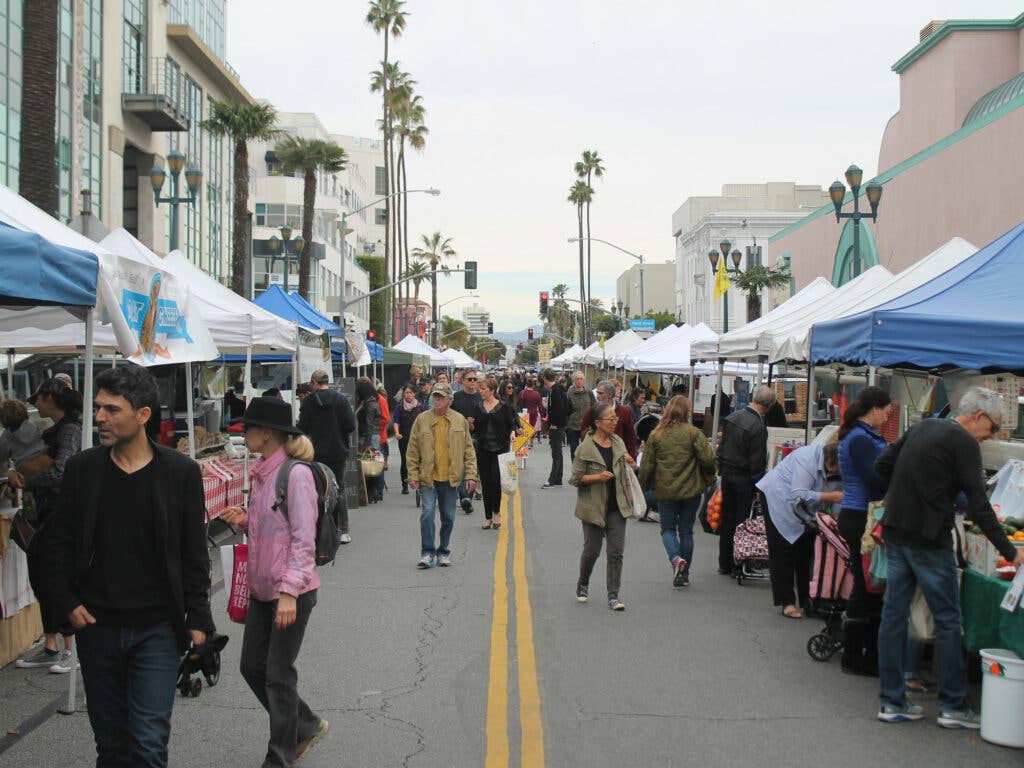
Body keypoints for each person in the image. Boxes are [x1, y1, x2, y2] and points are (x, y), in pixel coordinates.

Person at [43, 365, 214, 766]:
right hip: (97, 628)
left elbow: (193, 553)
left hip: (157, 631)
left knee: (148, 744)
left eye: (111, 409)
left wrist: (200, 618)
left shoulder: (180, 473)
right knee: (112, 746)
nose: (99, 417)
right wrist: (66, 602)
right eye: (98, 407)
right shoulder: (83, 470)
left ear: (142, 415)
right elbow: (57, 546)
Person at [874, 387, 1024, 728]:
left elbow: (882, 463)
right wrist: (1011, 552)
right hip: (929, 538)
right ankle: (953, 706)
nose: (991, 437)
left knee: (893, 616)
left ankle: (891, 700)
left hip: (896, 530)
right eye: (993, 428)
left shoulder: (923, 427)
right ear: (978, 417)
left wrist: (908, 492)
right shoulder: (964, 443)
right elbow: (980, 505)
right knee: (948, 619)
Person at [221, 397, 329, 766]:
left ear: (267, 433)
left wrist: (288, 593)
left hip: (290, 592)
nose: (243, 433)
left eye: (248, 428)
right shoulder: (265, 472)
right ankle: (306, 723)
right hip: (263, 590)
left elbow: (303, 540)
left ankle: (280, 756)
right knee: (252, 667)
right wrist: (244, 520)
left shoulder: (295, 474)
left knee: (278, 675)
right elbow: (273, 527)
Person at [12, 379, 83, 673]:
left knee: (56, 577)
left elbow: (61, 471)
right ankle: (52, 644)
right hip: (46, 513)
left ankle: (69, 650)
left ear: (49, 398)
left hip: (62, 515)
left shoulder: (70, 429)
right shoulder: (57, 429)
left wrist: (27, 479)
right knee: (41, 575)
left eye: (37, 399)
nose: (34, 405)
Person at [836, 385, 891, 673]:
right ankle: (856, 655)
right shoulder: (860, 439)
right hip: (860, 515)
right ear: (875, 410)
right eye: (886, 411)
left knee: (867, 583)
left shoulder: (863, 436)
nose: (888, 416)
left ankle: (862, 653)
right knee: (865, 584)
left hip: (862, 513)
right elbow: (876, 478)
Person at [757, 442, 843, 618]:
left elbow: (840, 497)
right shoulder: (807, 458)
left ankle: (807, 600)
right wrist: (830, 497)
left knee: (806, 548)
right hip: (778, 497)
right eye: (833, 470)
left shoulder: (844, 467)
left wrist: (836, 521)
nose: (835, 473)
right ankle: (786, 602)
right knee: (782, 550)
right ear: (827, 460)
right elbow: (799, 493)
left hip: (805, 508)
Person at [638, 395, 716, 588]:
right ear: (687, 412)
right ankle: (685, 573)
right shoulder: (693, 433)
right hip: (691, 490)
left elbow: (646, 466)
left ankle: (675, 559)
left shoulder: (656, 435)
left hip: (665, 491)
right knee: (687, 531)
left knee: (668, 529)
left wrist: (642, 489)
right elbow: (708, 460)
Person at [569, 402, 637, 610]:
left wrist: (631, 464)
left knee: (616, 552)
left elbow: (628, 469)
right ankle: (583, 582)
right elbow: (575, 479)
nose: (615, 422)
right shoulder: (585, 448)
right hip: (593, 506)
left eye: (616, 419)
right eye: (611, 419)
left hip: (617, 505)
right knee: (592, 550)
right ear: (598, 423)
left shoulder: (618, 443)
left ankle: (613, 596)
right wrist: (597, 477)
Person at [405, 382, 479, 568]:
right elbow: (412, 450)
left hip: (451, 478)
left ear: (449, 400)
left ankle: (443, 551)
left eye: (440, 397)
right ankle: (427, 552)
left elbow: (469, 451)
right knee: (427, 514)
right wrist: (413, 475)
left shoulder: (459, 420)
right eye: (434, 396)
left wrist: (471, 475)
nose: (436, 399)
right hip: (428, 477)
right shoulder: (422, 419)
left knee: (448, 517)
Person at [716, 385, 775, 576]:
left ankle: (724, 562)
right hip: (744, 478)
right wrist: (760, 484)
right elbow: (757, 460)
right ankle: (736, 563)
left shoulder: (732, 418)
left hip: (728, 473)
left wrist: (721, 469)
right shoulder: (758, 427)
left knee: (727, 517)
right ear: (769, 405)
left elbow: (721, 448)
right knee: (741, 521)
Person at [297, 370, 356, 544]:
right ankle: (343, 529)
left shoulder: (308, 403)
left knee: (317, 490)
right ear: (327, 382)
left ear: (314, 383)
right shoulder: (341, 400)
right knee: (340, 489)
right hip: (338, 451)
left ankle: (319, 530)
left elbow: (303, 427)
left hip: (316, 452)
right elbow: (351, 425)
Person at [473, 379, 518, 529]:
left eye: (483, 388)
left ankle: (497, 513)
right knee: (485, 483)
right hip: (483, 449)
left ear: (492, 390)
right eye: (480, 389)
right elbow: (475, 430)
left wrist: (512, 433)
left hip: (500, 449)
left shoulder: (503, 407)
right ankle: (487, 517)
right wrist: (471, 425)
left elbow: (511, 424)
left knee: (495, 481)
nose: (481, 391)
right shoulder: (478, 407)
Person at [580, 380, 639, 460]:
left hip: (619, 457)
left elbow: (630, 437)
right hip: (597, 457)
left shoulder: (625, 412)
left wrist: (632, 458)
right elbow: (584, 432)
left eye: (601, 393)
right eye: (597, 392)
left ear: (610, 395)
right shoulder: (592, 411)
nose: (597, 396)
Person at [452, 371, 483, 513]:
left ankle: (468, 498)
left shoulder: (480, 397)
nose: (472, 382)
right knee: (460, 468)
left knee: (473, 469)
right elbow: (450, 418)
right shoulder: (456, 398)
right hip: (458, 437)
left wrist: (475, 424)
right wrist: (464, 422)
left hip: (477, 437)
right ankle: (464, 496)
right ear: (463, 381)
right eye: (470, 379)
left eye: (475, 379)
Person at [0, 398, 53, 477]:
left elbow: (1, 457)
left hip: (26, 470)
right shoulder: (36, 424)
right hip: (47, 461)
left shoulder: (6, 437)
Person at [392, 385, 426, 495]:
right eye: (406, 393)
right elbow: (396, 421)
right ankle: (404, 485)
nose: (409, 395)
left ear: (414, 394)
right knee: (405, 461)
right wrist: (397, 433)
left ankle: (420, 483)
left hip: (419, 438)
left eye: (411, 393)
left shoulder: (420, 407)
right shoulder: (399, 407)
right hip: (404, 437)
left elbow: (426, 421)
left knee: (420, 460)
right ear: (403, 394)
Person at [542, 368, 572, 488]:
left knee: (556, 453)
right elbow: (568, 407)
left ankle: (552, 479)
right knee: (558, 452)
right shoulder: (559, 389)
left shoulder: (555, 391)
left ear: (545, 379)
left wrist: (555, 423)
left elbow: (559, 409)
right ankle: (558, 478)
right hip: (560, 424)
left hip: (557, 426)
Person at [355, 377, 383, 503]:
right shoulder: (372, 402)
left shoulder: (369, 404)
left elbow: (369, 424)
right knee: (372, 464)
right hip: (372, 436)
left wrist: (367, 443)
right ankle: (374, 492)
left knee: (368, 465)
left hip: (368, 437)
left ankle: (372, 493)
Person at [565, 371, 595, 461]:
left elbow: (594, 406)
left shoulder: (589, 392)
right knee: (574, 450)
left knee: (587, 450)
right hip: (572, 426)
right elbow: (566, 408)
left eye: (581, 379)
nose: (579, 381)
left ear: (583, 380)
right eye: (577, 379)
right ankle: (575, 469)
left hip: (586, 427)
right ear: (574, 380)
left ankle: (585, 470)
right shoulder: (569, 392)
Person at [518, 378, 544, 444]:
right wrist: (542, 415)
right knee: (532, 427)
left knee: (525, 427)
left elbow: (518, 403)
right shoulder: (537, 394)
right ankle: (531, 441)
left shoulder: (522, 393)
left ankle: (526, 441)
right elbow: (540, 405)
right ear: (533, 385)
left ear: (526, 384)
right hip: (533, 413)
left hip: (524, 413)